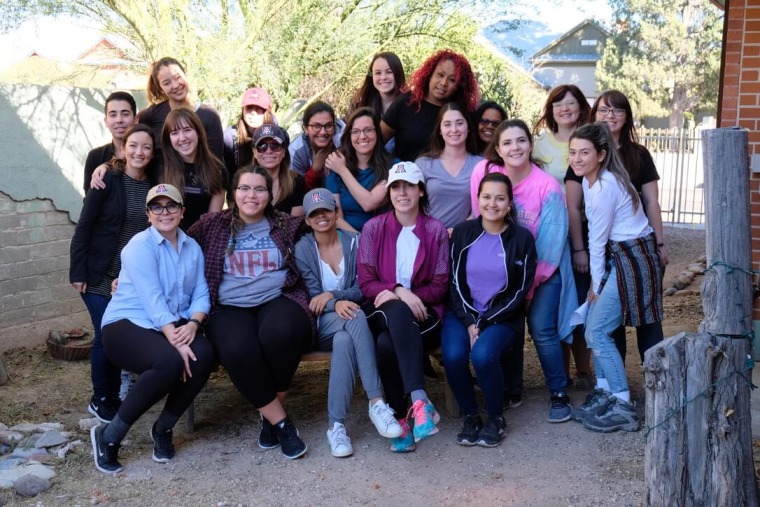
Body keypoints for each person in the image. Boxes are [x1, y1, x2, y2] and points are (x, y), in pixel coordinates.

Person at [188, 165, 314, 460]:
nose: (251, 195)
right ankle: (280, 423)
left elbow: (326, 227)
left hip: (278, 297)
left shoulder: (287, 224)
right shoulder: (211, 224)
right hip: (228, 305)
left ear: (270, 195)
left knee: (282, 332)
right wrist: (126, 276)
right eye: (244, 188)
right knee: (236, 347)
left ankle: (267, 414)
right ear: (234, 193)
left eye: (259, 189)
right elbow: (175, 246)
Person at [91, 183, 214, 473]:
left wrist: (195, 324)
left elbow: (201, 293)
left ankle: (163, 428)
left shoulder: (191, 247)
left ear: (182, 212)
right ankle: (109, 436)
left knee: (205, 353)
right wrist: (176, 340)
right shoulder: (138, 246)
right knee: (170, 361)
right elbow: (151, 297)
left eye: (171, 205)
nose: (164, 212)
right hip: (126, 323)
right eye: (156, 207)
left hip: (169, 324)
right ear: (148, 214)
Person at [470, 120, 577, 423]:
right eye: (507, 142)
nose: (514, 147)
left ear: (531, 145)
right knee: (505, 323)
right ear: (498, 149)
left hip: (544, 271)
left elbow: (551, 245)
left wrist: (525, 291)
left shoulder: (547, 187)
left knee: (541, 326)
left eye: (520, 141)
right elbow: (481, 221)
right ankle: (511, 388)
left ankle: (558, 393)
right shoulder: (487, 174)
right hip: (501, 272)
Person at [567, 122, 662, 432]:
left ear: (601, 154)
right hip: (619, 257)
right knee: (597, 324)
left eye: (584, 153)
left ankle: (622, 405)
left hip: (632, 258)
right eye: (572, 153)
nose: (577, 159)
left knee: (596, 331)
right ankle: (607, 393)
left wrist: (595, 285)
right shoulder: (588, 182)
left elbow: (597, 239)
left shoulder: (605, 186)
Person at [294, 189, 403, 458]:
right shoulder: (303, 248)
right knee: (355, 315)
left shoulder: (355, 242)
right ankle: (377, 401)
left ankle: (336, 426)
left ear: (335, 212)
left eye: (326, 211)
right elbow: (311, 296)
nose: (322, 217)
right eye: (314, 213)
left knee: (345, 339)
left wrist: (333, 296)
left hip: (345, 325)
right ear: (308, 220)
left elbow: (361, 288)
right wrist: (333, 304)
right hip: (318, 324)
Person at [566, 90, 668, 364]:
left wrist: (659, 244)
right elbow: (574, 208)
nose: (610, 115)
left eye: (617, 110)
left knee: (647, 319)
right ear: (594, 114)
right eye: (603, 110)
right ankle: (615, 379)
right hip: (600, 243)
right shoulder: (582, 155)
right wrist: (579, 250)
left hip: (634, 245)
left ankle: (656, 380)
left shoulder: (639, 154)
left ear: (627, 117)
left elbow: (651, 203)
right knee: (611, 321)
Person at [358, 161, 449, 452]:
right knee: (396, 311)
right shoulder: (373, 228)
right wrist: (399, 291)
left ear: (420, 191)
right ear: (389, 192)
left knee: (386, 344)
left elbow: (441, 283)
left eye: (408, 185)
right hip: (382, 310)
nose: (402, 192)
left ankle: (401, 419)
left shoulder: (435, 231)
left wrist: (412, 297)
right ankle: (420, 399)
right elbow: (366, 281)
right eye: (396, 186)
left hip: (425, 314)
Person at [70, 124, 158, 424]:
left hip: (130, 278)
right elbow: (85, 225)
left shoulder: (154, 187)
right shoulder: (107, 177)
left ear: (153, 152)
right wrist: (77, 270)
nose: (139, 152)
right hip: (98, 273)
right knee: (105, 335)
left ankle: (118, 393)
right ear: (124, 147)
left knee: (121, 335)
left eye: (146, 147)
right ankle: (101, 398)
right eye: (133, 145)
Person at [444, 172, 536, 447]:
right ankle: (471, 415)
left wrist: (484, 322)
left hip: (502, 317)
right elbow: (453, 280)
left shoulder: (522, 239)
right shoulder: (462, 232)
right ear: (478, 199)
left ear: (509, 204)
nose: (492, 204)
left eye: (500, 198)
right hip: (463, 313)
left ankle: (495, 416)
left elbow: (520, 291)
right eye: (486, 197)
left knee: (483, 355)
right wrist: (471, 321)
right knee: (453, 354)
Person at [533, 84, 594, 391]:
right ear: (551, 110)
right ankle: (563, 371)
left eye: (571, 103)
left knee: (582, 301)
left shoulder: (589, 142)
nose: (565, 109)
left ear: (581, 107)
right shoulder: (538, 146)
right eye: (558, 104)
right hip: (547, 235)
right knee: (559, 303)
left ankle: (585, 370)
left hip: (581, 232)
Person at [381, 49, 480, 162]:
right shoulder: (407, 101)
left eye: (452, 80)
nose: (443, 83)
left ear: (459, 85)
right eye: (440, 75)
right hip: (402, 176)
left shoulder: (462, 114)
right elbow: (377, 140)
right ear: (430, 75)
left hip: (442, 178)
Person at [138, 57, 224, 160]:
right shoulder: (152, 114)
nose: (175, 85)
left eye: (177, 77)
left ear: (185, 74)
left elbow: (216, 158)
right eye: (166, 83)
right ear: (160, 88)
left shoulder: (209, 115)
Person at [415, 102, 484, 230]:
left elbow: (483, 206)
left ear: (468, 127)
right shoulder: (423, 164)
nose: (454, 129)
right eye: (447, 124)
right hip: (427, 238)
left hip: (465, 239)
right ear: (440, 130)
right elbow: (412, 205)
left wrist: (458, 232)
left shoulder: (481, 165)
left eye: (459, 123)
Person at [323, 107, 390, 232]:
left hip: (383, 237)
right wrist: (359, 241)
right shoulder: (335, 166)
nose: (362, 136)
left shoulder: (392, 166)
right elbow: (337, 218)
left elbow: (369, 203)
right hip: (348, 238)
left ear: (377, 133)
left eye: (368, 130)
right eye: (356, 131)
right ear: (349, 136)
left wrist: (343, 171)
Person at [161, 107, 227, 229]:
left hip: (201, 240)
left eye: (187, 130)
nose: (182, 138)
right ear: (168, 138)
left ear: (198, 132)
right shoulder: (161, 167)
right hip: (166, 240)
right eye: (175, 133)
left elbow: (212, 220)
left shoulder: (217, 170)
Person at [222, 87, 277, 191]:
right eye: (249, 108)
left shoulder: (277, 134)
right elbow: (229, 178)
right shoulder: (229, 137)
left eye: (258, 108)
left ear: (267, 111)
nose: (253, 113)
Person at [83, 91, 138, 192]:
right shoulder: (95, 157)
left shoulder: (146, 155)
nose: (119, 120)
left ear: (136, 119)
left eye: (125, 114)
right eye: (113, 115)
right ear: (106, 121)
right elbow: (89, 199)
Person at [253, 124, 306, 216]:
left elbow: (295, 224)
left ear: (284, 151)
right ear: (254, 152)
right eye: (262, 146)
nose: (269, 151)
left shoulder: (297, 182)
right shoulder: (244, 182)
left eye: (275, 145)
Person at [289, 101, 345, 185]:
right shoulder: (295, 151)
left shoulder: (343, 141)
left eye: (329, 125)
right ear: (305, 128)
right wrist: (315, 170)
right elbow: (296, 191)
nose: (323, 132)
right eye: (316, 126)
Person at [349, 52, 407, 117]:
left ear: (398, 73)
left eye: (389, 72)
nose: (383, 77)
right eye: (378, 73)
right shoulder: (360, 103)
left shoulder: (411, 105)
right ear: (372, 76)